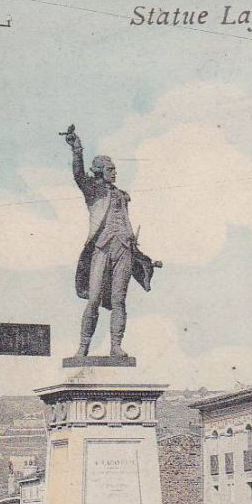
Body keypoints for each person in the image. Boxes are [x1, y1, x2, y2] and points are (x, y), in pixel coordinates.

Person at [63, 125, 162, 359]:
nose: (115, 173)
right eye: (110, 169)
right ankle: (83, 347)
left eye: (115, 169)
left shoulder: (121, 195)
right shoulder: (94, 191)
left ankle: (116, 346)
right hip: (102, 249)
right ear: (99, 171)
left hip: (124, 250)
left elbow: (126, 224)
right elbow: (78, 175)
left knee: (119, 300)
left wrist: (140, 254)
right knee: (94, 299)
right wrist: (77, 149)